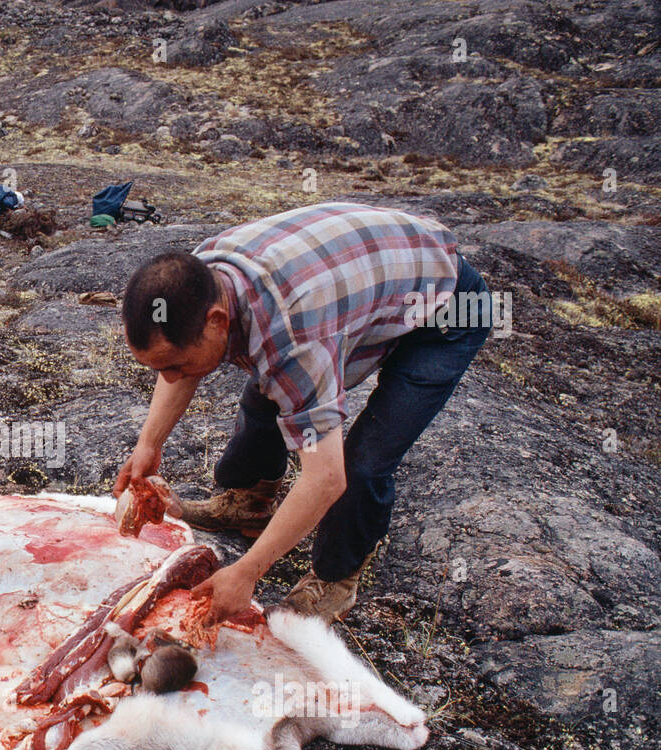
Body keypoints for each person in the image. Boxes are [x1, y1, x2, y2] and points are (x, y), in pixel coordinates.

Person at [114, 202, 493, 623]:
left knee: (364, 461)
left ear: (217, 321)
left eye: (173, 365)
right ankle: (251, 502)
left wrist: (247, 571)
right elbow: (183, 363)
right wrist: (149, 443)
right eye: (158, 368)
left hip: (446, 310)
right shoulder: (195, 280)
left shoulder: (292, 333)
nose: (169, 377)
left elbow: (326, 477)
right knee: (271, 390)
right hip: (364, 280)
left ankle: (335, 578)